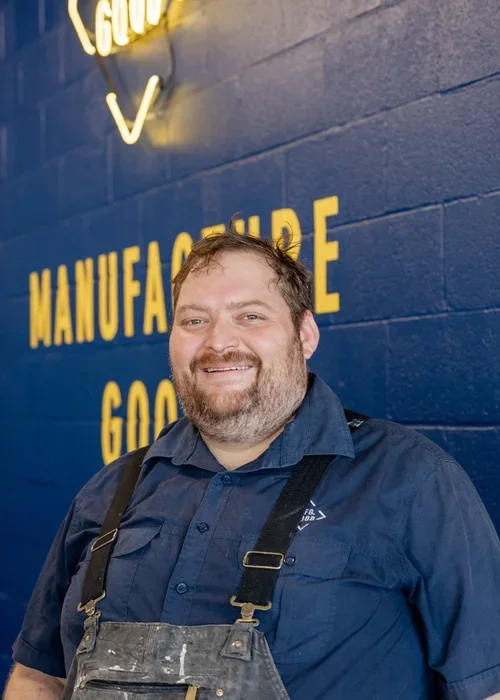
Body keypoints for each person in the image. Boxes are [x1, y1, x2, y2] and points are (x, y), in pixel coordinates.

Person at [5, 229, 500, 700]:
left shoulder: (410, 480)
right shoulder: (110, 490)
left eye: (250, 316)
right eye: (194, 320)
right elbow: (38, 676)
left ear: (304, 334)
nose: (219, 342)